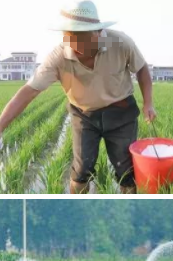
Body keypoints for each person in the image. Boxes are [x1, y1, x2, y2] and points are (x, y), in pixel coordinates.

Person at [0, 1, 156, 194]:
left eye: (82, 36)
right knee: (82, 170)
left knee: (125, 170)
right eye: (70, 36)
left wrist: (148, 103)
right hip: (84, 115)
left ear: (98, 32)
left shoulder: (120, 43)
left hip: (121, 113)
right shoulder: (58, 57)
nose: (75, 43)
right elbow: (28, 91)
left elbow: (141, 68)